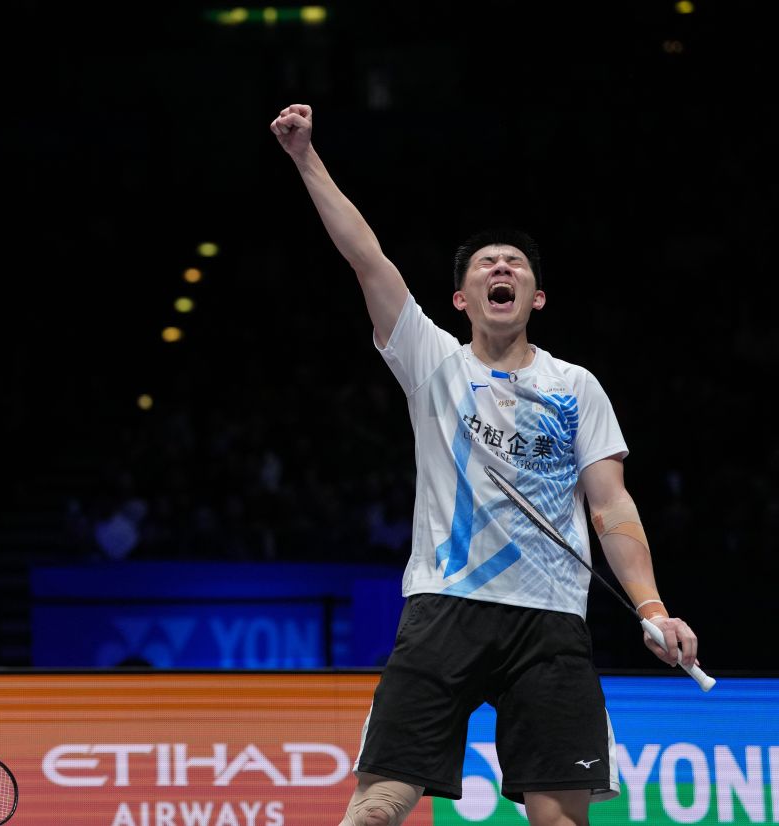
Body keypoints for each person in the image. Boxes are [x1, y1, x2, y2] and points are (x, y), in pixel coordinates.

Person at [268, 103, 700, 826]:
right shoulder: (431, 360)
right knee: (378, 805)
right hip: (445, 607)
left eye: (516, 265)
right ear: (463, 299)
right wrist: (305, 158)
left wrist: (652, 606)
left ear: (535, 297)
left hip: (552, 622)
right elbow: (366, 258)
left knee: (559, 818)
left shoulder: (575, 387)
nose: (502, 267)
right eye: (485, 265)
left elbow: (612, 505)